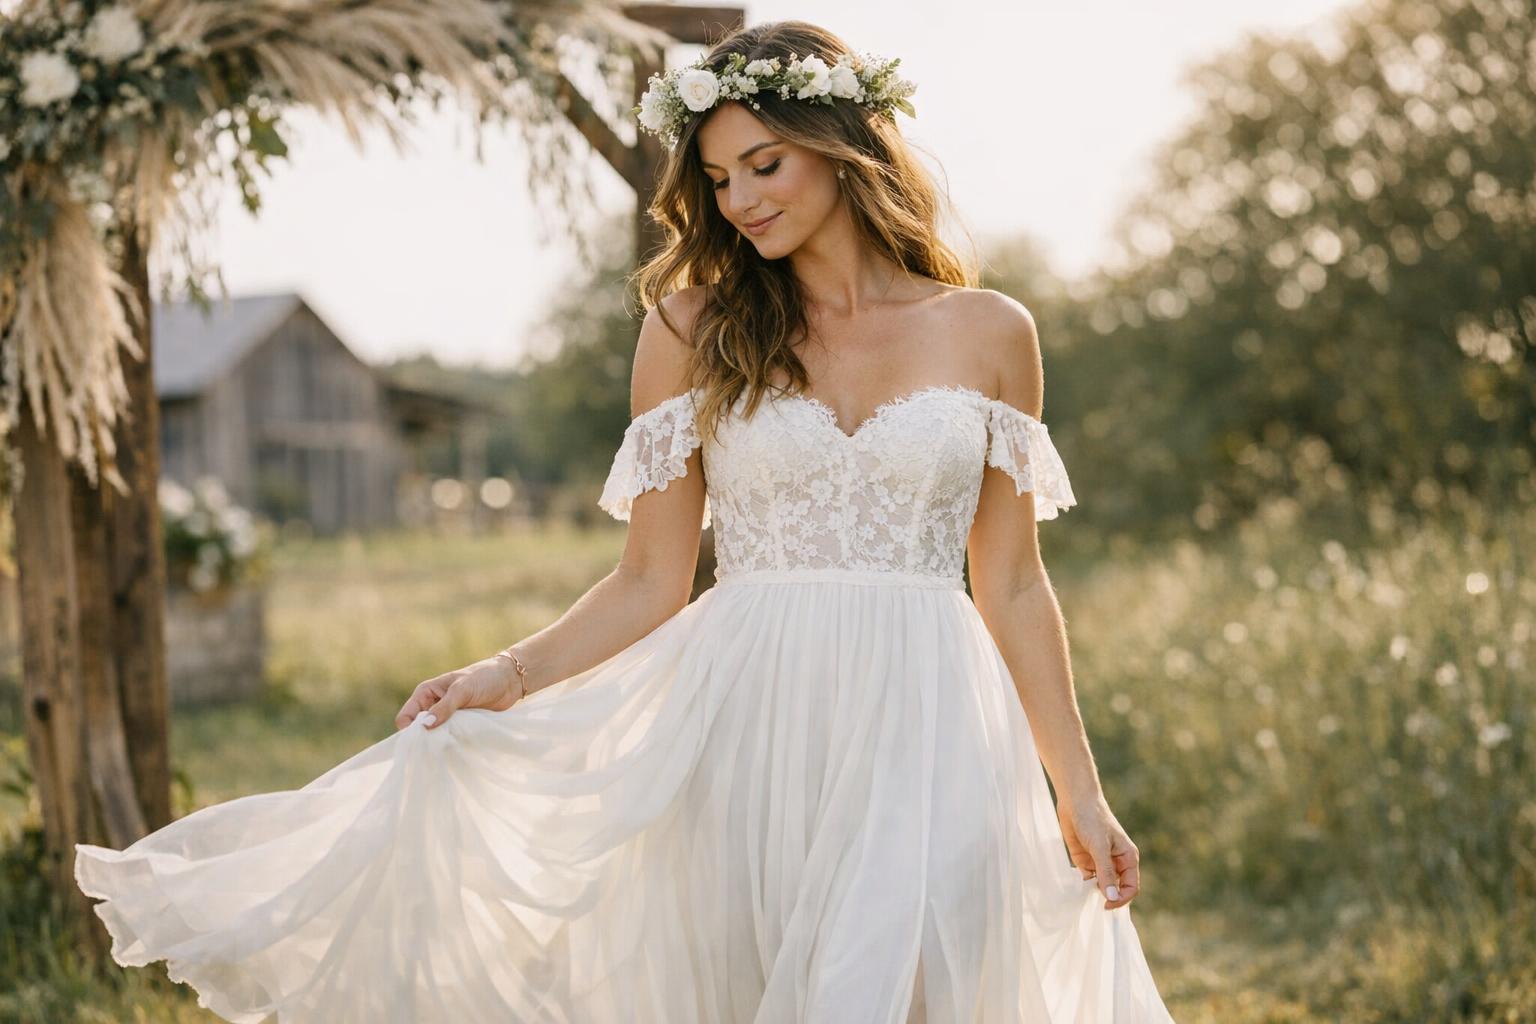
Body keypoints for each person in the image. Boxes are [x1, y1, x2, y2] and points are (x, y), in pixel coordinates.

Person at [73, 19, 1178, 1023]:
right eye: (719, 178)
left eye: (766, 164)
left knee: (919, 985)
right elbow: (652, 577)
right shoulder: (692, 327)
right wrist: (506, 674)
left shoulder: (990, 331)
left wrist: (1078, 791)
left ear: (845, 145)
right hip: (749, 717)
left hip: (933, 721)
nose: (741, 201)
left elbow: (1013, 582)